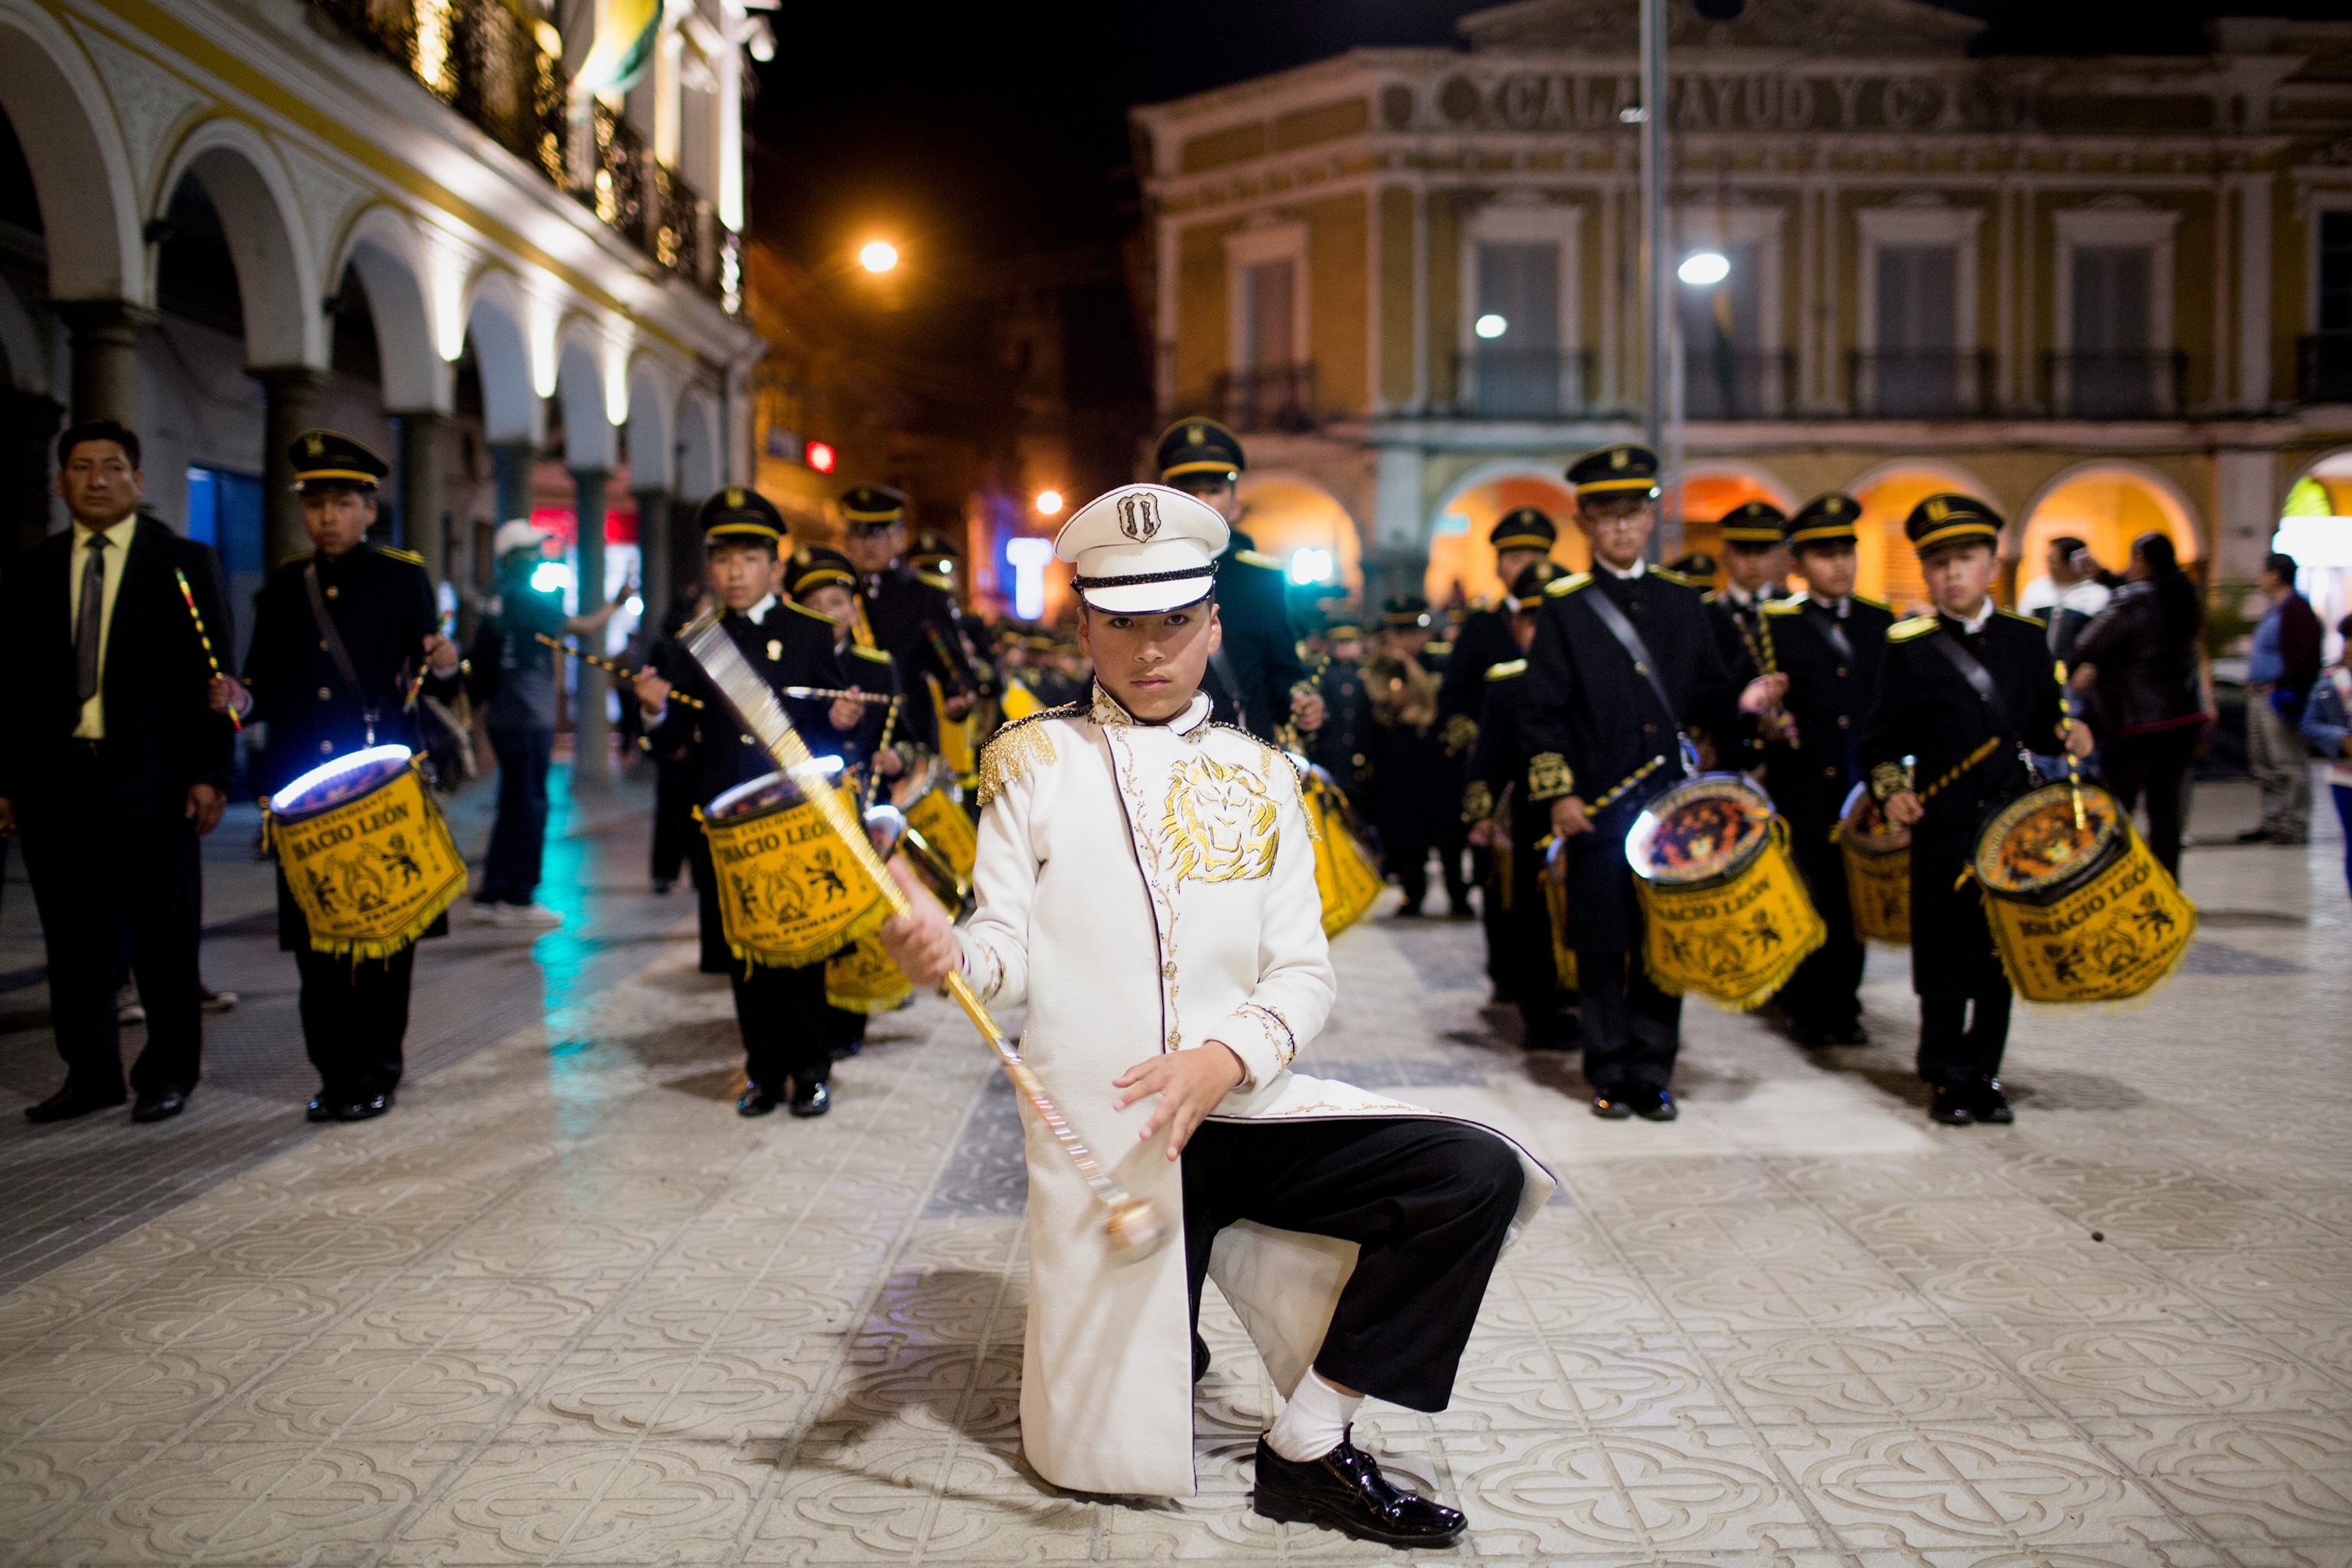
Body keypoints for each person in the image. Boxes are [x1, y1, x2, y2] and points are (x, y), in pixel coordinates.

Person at [877, 480, 1551, 1540]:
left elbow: (1303, 973)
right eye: (1121, 625)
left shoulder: (1267, 776)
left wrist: (1225, 1059)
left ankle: (1310, 1443)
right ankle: (1167, 1335)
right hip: (1115, 1141)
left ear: (1214, 623)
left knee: (1476, 1173)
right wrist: (945, 949)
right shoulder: (1031, 764)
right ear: (1083, 622)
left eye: (1177, 624)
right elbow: (1000, 953)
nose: (1151, 653)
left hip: (1243, 1114)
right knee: (1100, 1459)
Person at [1522, 444, 1785, 1122]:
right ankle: (1609, 1068)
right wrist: (1559, 792)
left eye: (1632, 514)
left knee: (1665, 940)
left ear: (1650, 519)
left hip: (1671, 805)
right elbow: (1542, 712)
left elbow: (1710, 693)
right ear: (1585, 523)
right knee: (1604, 942)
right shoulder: (1565, 608)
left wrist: (1747, 704)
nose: (1620, 528)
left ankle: (1654, 1069)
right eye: (1606, 516)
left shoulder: (1681, 602)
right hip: (1600, 806)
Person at [214, 430, 462, 1122]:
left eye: (342, 503)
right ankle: (333, 1072)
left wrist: (443, 663)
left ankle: (378, 1069)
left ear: (369, 510)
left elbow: (436, 681)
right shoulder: (286, 586)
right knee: (316, 947)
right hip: (304, 790)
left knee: (385, 939)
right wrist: (241, 699)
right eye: (316, 503)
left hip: (379, 787)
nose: (327, 517)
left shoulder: (401, 576)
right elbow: (264, 680)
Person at [0, 419, 236, 1125]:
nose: (96, 480)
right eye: (80, 467)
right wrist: (9, 780)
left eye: (111, 466)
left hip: (154, 783)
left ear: (137, 479)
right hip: (57, 784)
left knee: (163, 939)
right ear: (59, 481)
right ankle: (91, 1072)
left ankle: (168, 1072)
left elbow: (212, 672)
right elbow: (9, 686)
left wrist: (210, 773)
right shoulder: (31, 569)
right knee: (73, 941)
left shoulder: (184, 562)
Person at [1859, 495, 2092, 1127]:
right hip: (1942, 825)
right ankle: (1942, 1070)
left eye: (1965, 559)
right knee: (1942, 953)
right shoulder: (1909, 646)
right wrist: (1890, 790)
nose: (1952, 575)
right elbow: (1879, 741)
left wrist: (2073, 735)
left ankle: (1984, 1071)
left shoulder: (2026, 639)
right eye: (1937, 564)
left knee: (1997, 956)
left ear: (1992, 560)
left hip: (2012, 829)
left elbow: (2044, 725)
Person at [632, 488, 865, 1118]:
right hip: (729, 823)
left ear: (773, 566)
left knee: (803, 949)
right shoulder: (695, 644)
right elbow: (678, 743)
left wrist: (840, 720)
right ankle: (764, 1072)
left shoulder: (810, 633)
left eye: (748, 559)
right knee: (747, 956)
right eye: (722, 559)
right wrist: (656, 710)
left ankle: (812, 1071)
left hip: (796, 819)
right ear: (710, 567)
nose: (734, 572)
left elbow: (825, 724)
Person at [1756, 494, 1893, 1046]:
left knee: (1852, 901)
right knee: (1807, 897)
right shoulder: (1777, 626)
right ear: (1799, 565)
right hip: (1803, 785)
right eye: (1823, 555)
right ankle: (1805, 1004)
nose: (1838, 566)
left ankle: (1845, 1004)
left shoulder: (1879, 623)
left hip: (1861, 785)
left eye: (1845, 553)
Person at [786, 543, 910, 1061]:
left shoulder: (877, 668)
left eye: (837, 602)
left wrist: (895, 758)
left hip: (857, 809)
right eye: (816, 603)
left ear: (854, 609)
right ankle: (807, 1024)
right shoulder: (789, 665)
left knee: (855, 919)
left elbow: (907, 738)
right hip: (802, 808)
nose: (829, 614)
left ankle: (848, 1019)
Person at [465, 518, 622, 926]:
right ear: (518, 558)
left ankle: (492, 892)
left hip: (502, 715)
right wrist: (618, 602)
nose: (540, 557)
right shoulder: (526, 598)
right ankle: (519, 897)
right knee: (531, 804)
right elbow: (585, 628)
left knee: (512, 802)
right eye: (534, 551)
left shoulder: (495, 595)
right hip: (527, 716)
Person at [1439, 508, 1559, 995]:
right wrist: (1472, 737)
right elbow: (1455, 692)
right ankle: (1506, 973)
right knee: (1496, 875)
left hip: (1551, 767)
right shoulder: (1484, 626)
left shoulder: (1569, 618)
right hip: (1495, 766)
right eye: (1514, 556)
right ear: (1498, 564)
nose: (1523, 564)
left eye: (1534, 555)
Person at [1153, 417, 1324, 741]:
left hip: (1244, 755)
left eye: (1214, 490)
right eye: (1188, 490)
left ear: (1235, 502)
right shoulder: (1143, 574)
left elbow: (1284, 671)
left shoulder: (1261, 579)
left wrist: (1304, 702)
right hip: (1164, 751)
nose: (1202, 500)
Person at [1466, 559, 1577, 1048]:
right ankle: (1541, 1013)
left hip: (1586, 816)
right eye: (1533, 622)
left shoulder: (1587, 677)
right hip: (1532, 816)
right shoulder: (1509, 681)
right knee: (1532, 917)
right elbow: (1487, 758)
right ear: (1519, 626)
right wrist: (1481, 816)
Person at [2068, 531, 2210, 880]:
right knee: (2167, 810)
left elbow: (2088, 643)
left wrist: (2097, 663)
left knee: (2118, 806)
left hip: (2137, 720)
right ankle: (2167, 884)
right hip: (2182, 718)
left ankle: (2113, 881)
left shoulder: (2132, 599)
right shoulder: (2183, 593)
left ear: (2141, 558)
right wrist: (2104, 577)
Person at [837, 484, 977, 751]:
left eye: (878, 534)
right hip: (850, 726)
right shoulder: (838, 591)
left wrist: (956, 695)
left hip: (909, 725)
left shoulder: (924, 593)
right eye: (858, 534)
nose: (867, 544)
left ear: (900, 538)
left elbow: (949, 659)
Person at [1366, 595, 1470, 918]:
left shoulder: (1442, 662)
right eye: (1400, 633)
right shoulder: (1381, 666)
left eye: (1414, 632)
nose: (1408, 640)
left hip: (1439, 760)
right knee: (1407, 832)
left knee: (1449, 832)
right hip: (1400, 762)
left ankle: (1458, 892)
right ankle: (1413, 892)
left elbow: (1455, 705)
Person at [1702, 500, 1794, 775]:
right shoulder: (1704, 613)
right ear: (1725, 554)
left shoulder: (1794, 611)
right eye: (1743, 551)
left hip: (1786, 757)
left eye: (1763, 551)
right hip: (1725, 753)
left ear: (1778, 555)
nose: (1753, 562)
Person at [2243, 551, 2323, 846]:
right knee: (2264, 762)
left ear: (2275, 575)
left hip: (2279, 696)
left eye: (2264, 573)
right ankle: (2273, 820)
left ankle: (2293, 823)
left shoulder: (2296, 610)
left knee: (2287, 761)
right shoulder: (2274, 610)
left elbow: (2305, 654)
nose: (2260, 579)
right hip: (2261, 694)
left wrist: (2282, 685)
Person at [2299, 614, 2352, 897]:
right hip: (2345, 778)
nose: (2349, 646)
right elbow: (2309, 725)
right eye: (2347, 639)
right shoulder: (2330, 685)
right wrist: (2340, 739)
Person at [2019, 535, 2114, 667]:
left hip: (2076, 675)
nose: (2048, 563)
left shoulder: (2098, 595)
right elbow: (2021, 630)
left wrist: (2091, 666)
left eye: (2053, 559)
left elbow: (2105, 641)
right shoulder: (2035, 589)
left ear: (2074, 562)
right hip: (2036, 669)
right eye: (2047, 558)